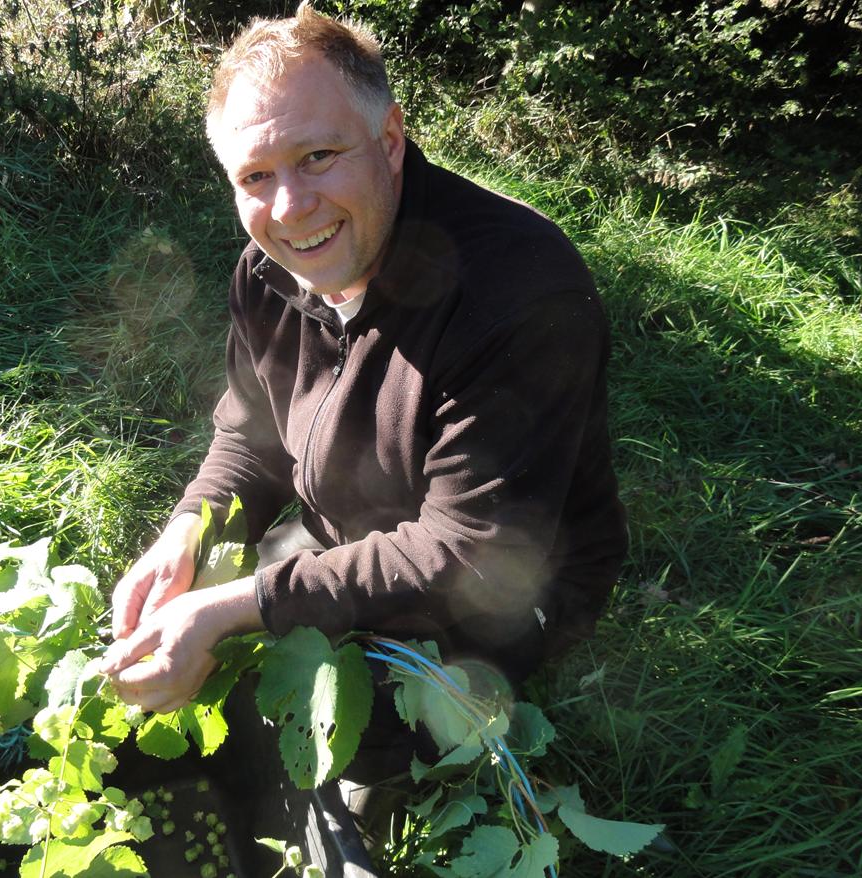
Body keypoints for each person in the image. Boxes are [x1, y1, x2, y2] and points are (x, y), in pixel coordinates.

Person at [99, 3, 626, 724]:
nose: (289, 208)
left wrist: (239, 605)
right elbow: (250, 436)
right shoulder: (267, 273)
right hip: (349, 532)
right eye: (255, 176)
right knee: (214, 650)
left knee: (330, 739)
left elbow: (467, 550)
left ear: (390, 137)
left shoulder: (520, 293)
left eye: (318, 156)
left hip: (502, 587)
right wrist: (188, 529)